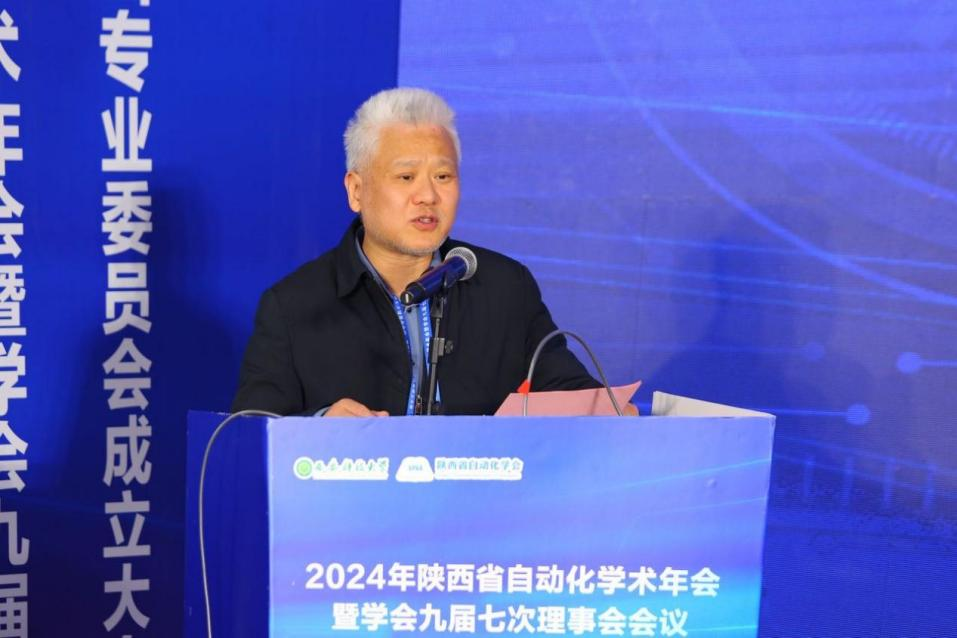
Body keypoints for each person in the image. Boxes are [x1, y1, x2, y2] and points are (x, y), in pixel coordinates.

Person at [231, 87, 604, 417]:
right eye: (406, 177)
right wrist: (319, 425)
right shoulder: (294, 306)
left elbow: (573, 396)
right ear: (356, 190)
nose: (428, 196)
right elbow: (248, 432)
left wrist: (611, 417)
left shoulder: (506, 287)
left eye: (443, 177)